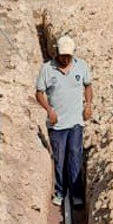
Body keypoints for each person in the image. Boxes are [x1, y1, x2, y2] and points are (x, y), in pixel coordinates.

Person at [35, 34, 92, 207]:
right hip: (57, 124)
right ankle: (60, 192)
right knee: (59, 158)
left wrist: (88, 104)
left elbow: (88, 86)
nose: (65, 59)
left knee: (75, 155)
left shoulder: (81, 67)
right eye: (62, 56)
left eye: (68, 56)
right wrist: (49, 109)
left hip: (76, 122)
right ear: (56, 53)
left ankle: (75, 194)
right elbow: (39, 93)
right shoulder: (47, 69)